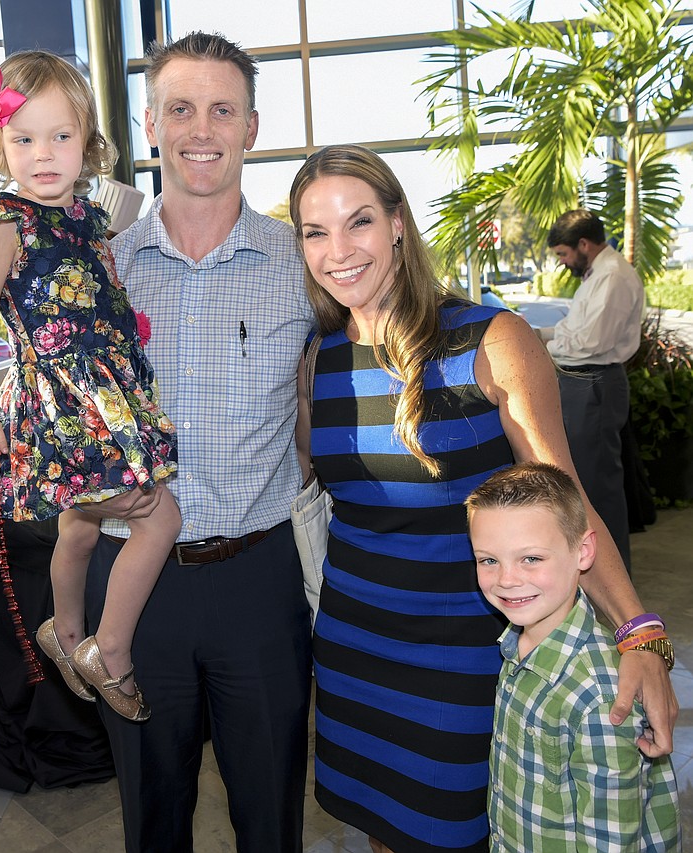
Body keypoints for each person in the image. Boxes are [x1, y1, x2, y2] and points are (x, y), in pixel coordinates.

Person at [288, 144, 677, 853]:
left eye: (359, 222)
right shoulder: (318, 357)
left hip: (463, 651)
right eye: (315, 231)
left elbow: (567, 501)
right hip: (354, 645)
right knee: (386, 830)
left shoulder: (490, 339)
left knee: (459, 829)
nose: (337, 250)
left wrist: (639, 631)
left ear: (398, 224)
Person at [79, 32, 314, 853]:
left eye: (222, 108)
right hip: (134, 584)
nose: (201, 128)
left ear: (252, 126)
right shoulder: (100, 272)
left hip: (261, 577)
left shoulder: (301, 263)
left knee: (271, 813)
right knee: (152, 815)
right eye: (181, 108)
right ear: (151, 122)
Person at [0, 50, 181, 722]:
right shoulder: (3, 219)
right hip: (61, 397)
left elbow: (98, 296)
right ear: (0, 143)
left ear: (89, 142)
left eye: (61, 136)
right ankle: (110, 651)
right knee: (160, 515)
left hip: (106, 389)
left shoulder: (88, 218)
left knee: (79, 522)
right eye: (24, 139)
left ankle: (67, 632)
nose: (43, 154)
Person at [466, 462, 679, 852]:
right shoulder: (514, 646)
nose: (507, 579)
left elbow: (612, 840)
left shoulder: (601, 696)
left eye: (531, 558)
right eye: (488, 560)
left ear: (583, 552)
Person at [538, 209, 644, 572]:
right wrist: (550, 337)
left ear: (584, 244)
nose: (564, 263)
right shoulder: (597, 274)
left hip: (594, 383)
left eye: (564, 254)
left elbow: (589, 341)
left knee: (598, 491)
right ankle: (594, 577)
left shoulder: (612, 275)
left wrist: (544, 346)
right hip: (583, 382)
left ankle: (613, 583)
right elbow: (574, 331)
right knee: (582, 484)